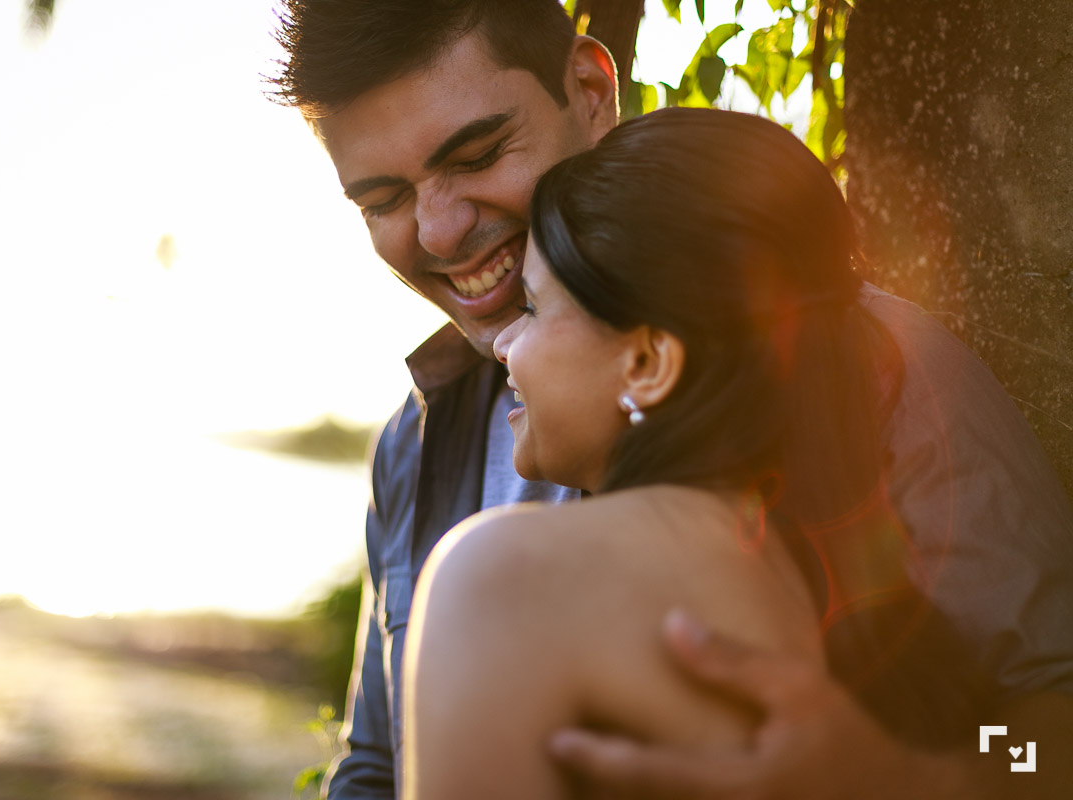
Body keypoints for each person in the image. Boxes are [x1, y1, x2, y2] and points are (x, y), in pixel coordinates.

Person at [265, 1, 1073, 798]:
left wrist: (919, 775)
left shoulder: (878, 369)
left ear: (587, 90)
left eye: (477, 154)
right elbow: (375, 769)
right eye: (383, 200)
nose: (439, 232)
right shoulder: (418, 443)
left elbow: (1049, 730)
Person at [404, 106, 991, 799]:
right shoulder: (858, 605)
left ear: (649, 361)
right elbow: (1024, 750)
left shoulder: (501, 577)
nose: (502, 345)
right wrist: (929, 776)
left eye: (530, 308)